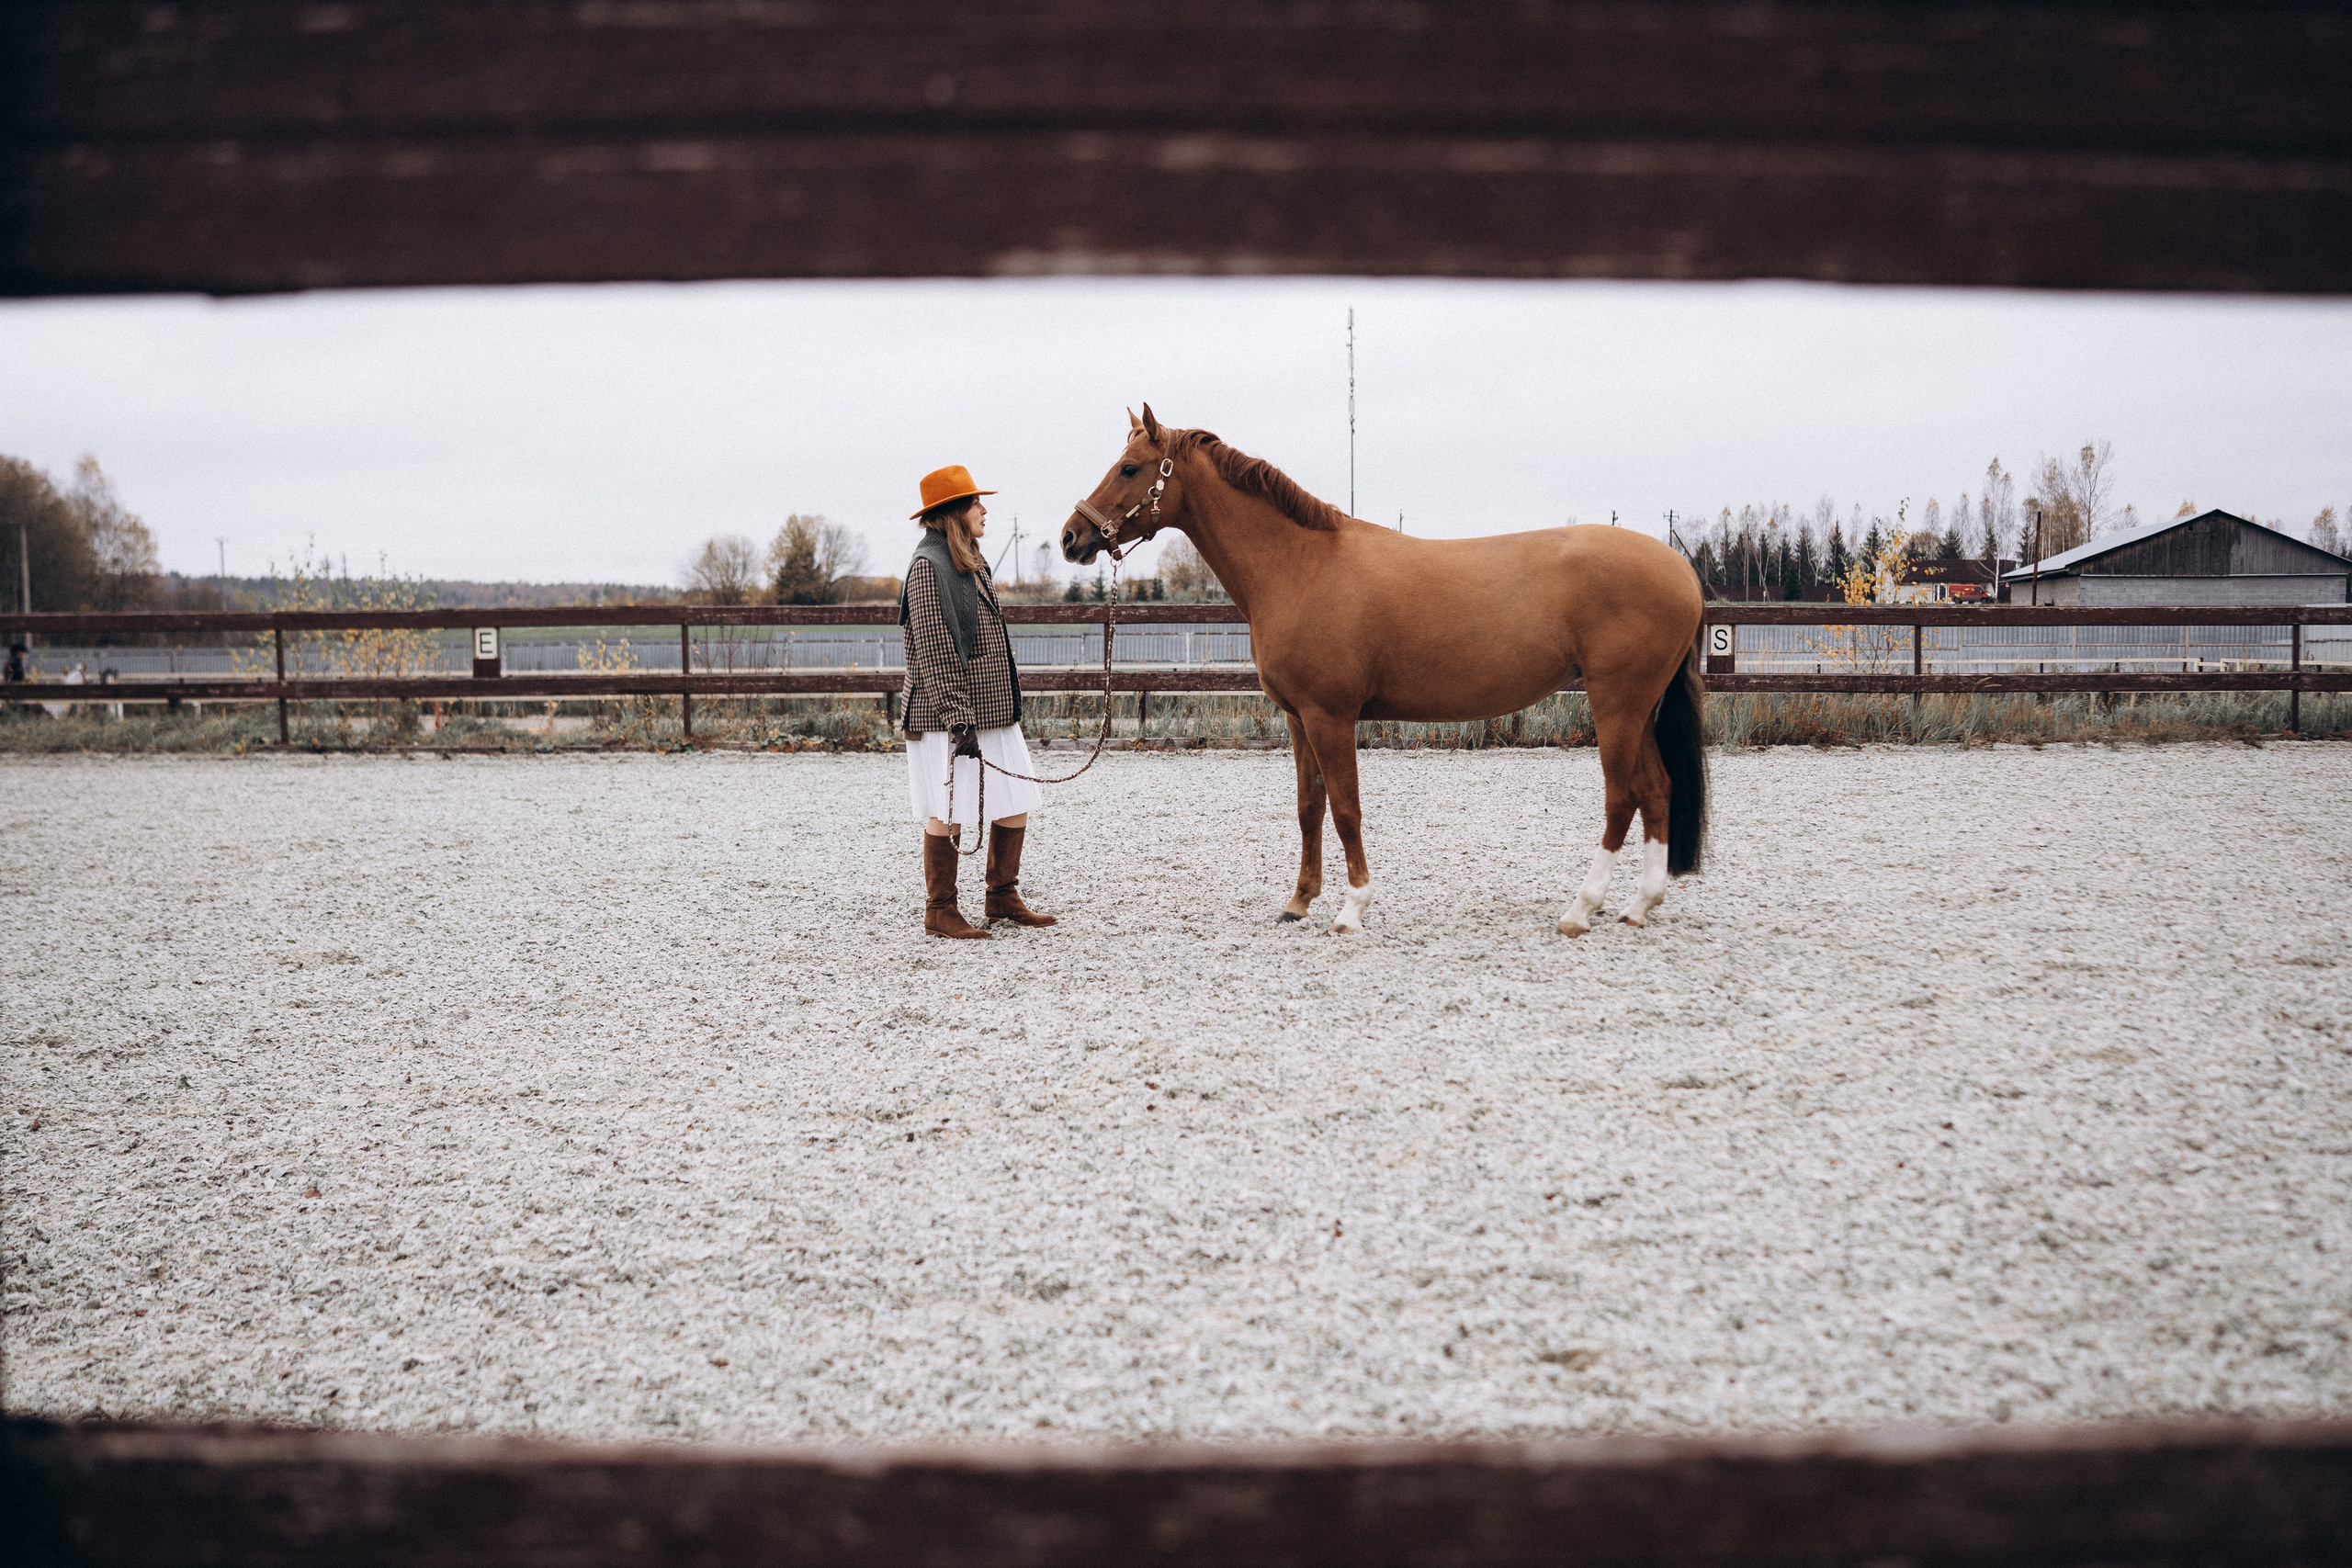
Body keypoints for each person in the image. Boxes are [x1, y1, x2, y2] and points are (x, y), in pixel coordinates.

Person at [899, 464, 1056, 938]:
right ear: (953, 512)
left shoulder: (969, 558)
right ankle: (940, 909)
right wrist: (958, 718)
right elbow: (933, 648)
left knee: (1017, 797)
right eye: (975, 504)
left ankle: (1002, 896)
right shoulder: (929, 567)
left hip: (991, 711)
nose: (984, 510)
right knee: (946, 809)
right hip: (950, 715)